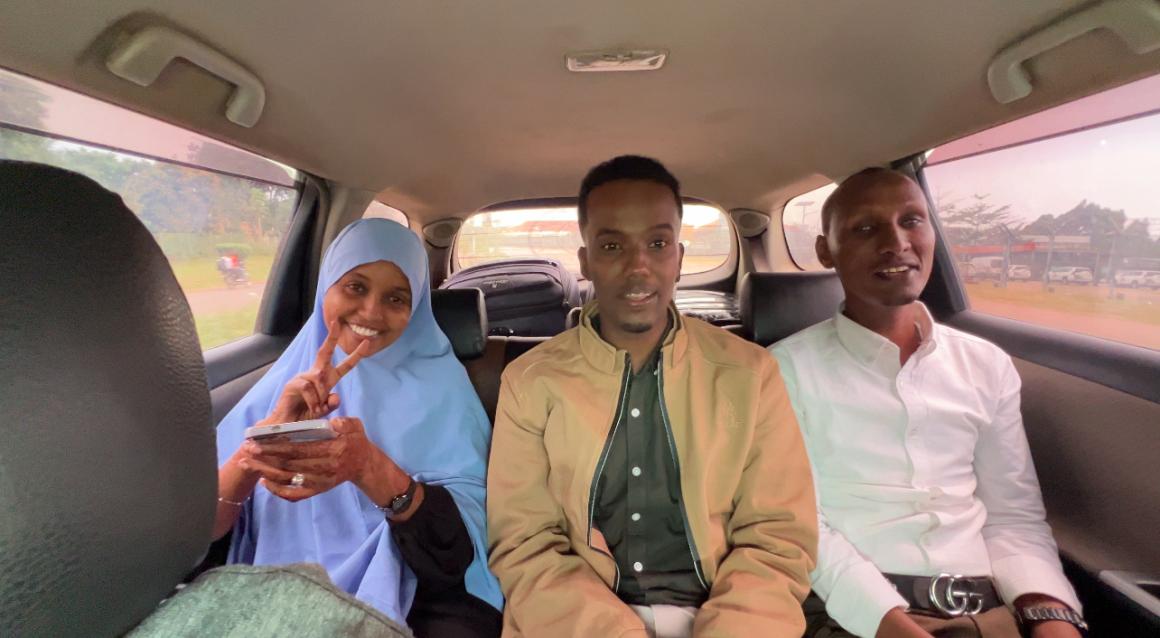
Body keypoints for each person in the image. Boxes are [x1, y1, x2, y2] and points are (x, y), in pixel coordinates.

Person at [487, 155, 817, 637]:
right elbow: (524, 543)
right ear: (586, 262)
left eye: (658, 244)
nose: (638, 266)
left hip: (725, 619)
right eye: (613, 245)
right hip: (575, 624)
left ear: (679, 259)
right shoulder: (529, 382)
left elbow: (778, 538)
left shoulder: (750, 374)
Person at [769, 168, 1086, 638]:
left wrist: (1050, 612)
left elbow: (1013, 515)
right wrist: (887, 622)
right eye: (865, 227)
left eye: (912, 221)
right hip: (851, 612)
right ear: (824, 251)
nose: (896, 242)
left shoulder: (987, 365)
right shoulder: (782, 371)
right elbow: (799, 525)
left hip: (987, 610)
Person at [214, 218, 503, 637]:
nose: (371, 312)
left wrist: (369, 468)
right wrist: (259, 450)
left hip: (411, 600)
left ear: (416, 308)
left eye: (396, 298)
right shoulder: (281, 386)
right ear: (326, 288)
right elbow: (201, 533)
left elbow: (462, 551)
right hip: (272, 593)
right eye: (355, 286)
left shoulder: (445, 391)